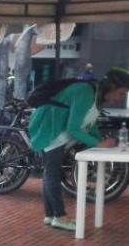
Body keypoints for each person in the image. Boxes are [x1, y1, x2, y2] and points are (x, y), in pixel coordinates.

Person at [27, 68, 129, 230]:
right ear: (111, 87)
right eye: (121, 93)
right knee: (52, 173)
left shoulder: (96, 95)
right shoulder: (86, 92)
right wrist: (98, 144)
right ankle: (60, 216)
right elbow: (74, 128)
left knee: (50, 173)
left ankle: (51, 215)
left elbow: (90, 121)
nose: (120, 98)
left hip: (55, 130)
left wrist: (99, 139)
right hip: (49, 129)